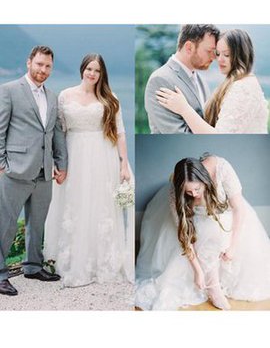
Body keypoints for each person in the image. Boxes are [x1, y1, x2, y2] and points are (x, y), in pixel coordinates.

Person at [44, 53, 134, 288]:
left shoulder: (109, 98)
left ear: (102, 74)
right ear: (82, 69)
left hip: (103, 156)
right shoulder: (65, 95)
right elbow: (59, 132)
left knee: (100, 204)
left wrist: (124, 163)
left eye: (97, 70)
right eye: (89, 69)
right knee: (74, 202)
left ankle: (99, 259)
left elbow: (120, 132)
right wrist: (58, 161)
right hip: (74, 154)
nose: (93, 74)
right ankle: (70, 258)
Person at [135, 154, 270, 310]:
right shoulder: (175, 192)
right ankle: (213, 286)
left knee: (218, 228)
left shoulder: (221, 168)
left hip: (228, 213)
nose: (194, 194)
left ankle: (219, 280)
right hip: (197, 219)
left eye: (197, 189)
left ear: (205, 180)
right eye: (188, 192)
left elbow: (239, 209)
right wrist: (198, 271)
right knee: (208, 231)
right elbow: (184, 234)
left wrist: (232, 247)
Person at [0, 46, 68, 296]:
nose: (43, 70)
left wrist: (61, 164)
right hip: (15, 169)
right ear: (29, 63)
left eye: (48, 66)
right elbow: (0, 128)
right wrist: (2, 163)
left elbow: (55, 133)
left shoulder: (52, 96)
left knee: (37, 223)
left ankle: (33, 266)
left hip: (44, 170)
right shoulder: (8, 90)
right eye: (39, 64)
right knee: (5, 224)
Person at [157, 29, 268, 133]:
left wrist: (184, 109)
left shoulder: (243, 87)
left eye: (227, 55)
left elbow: (220, 135)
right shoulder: (237, 82)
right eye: (218, 54)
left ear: (241, 55)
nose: (220, 59)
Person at [144, 24, 220, 133]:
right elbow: (178, 134)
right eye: (209, 51)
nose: (213, 58)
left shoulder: (200, 80)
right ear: (189, 47)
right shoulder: (160, 80)